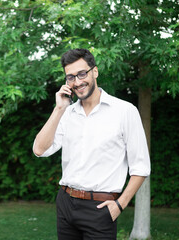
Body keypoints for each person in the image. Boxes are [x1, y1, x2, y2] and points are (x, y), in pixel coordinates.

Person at [32, 48, 151, 240]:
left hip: (100, 208)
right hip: (65, 204)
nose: (77, 82)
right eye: (70, 77)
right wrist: (59, 109)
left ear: (94, 71)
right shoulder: (66, 113)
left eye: (82, 74)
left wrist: (120, 205)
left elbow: (141, 167)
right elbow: (39, 150)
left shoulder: (124, 111)